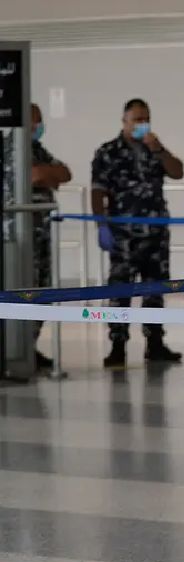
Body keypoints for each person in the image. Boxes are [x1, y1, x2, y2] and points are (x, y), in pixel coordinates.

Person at [91, 98, 184, 368]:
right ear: (124, 121)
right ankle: (117, 346)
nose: (142, 124)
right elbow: (97, 191)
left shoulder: (155, 148)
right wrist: (101, 225)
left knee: (155, 289)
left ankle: (155, 343)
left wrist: (159, 150)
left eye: (146, 119)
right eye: (137, 119)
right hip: (124, 235)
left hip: (156, 233)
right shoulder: (108, 152)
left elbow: (178, 172)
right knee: (120, 290)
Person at [28, 104, 72, 371]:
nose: (38, 126)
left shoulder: (37, 150)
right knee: (21, 289)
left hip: (41, 232)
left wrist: (45, 175)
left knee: (42, 288)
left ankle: (29, 347)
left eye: (40, 121)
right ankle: (12, 350)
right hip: (19, 236)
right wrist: (46, 175)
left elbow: (64, 173)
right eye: (33, 121)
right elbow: (35, 176)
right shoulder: (10, 147)